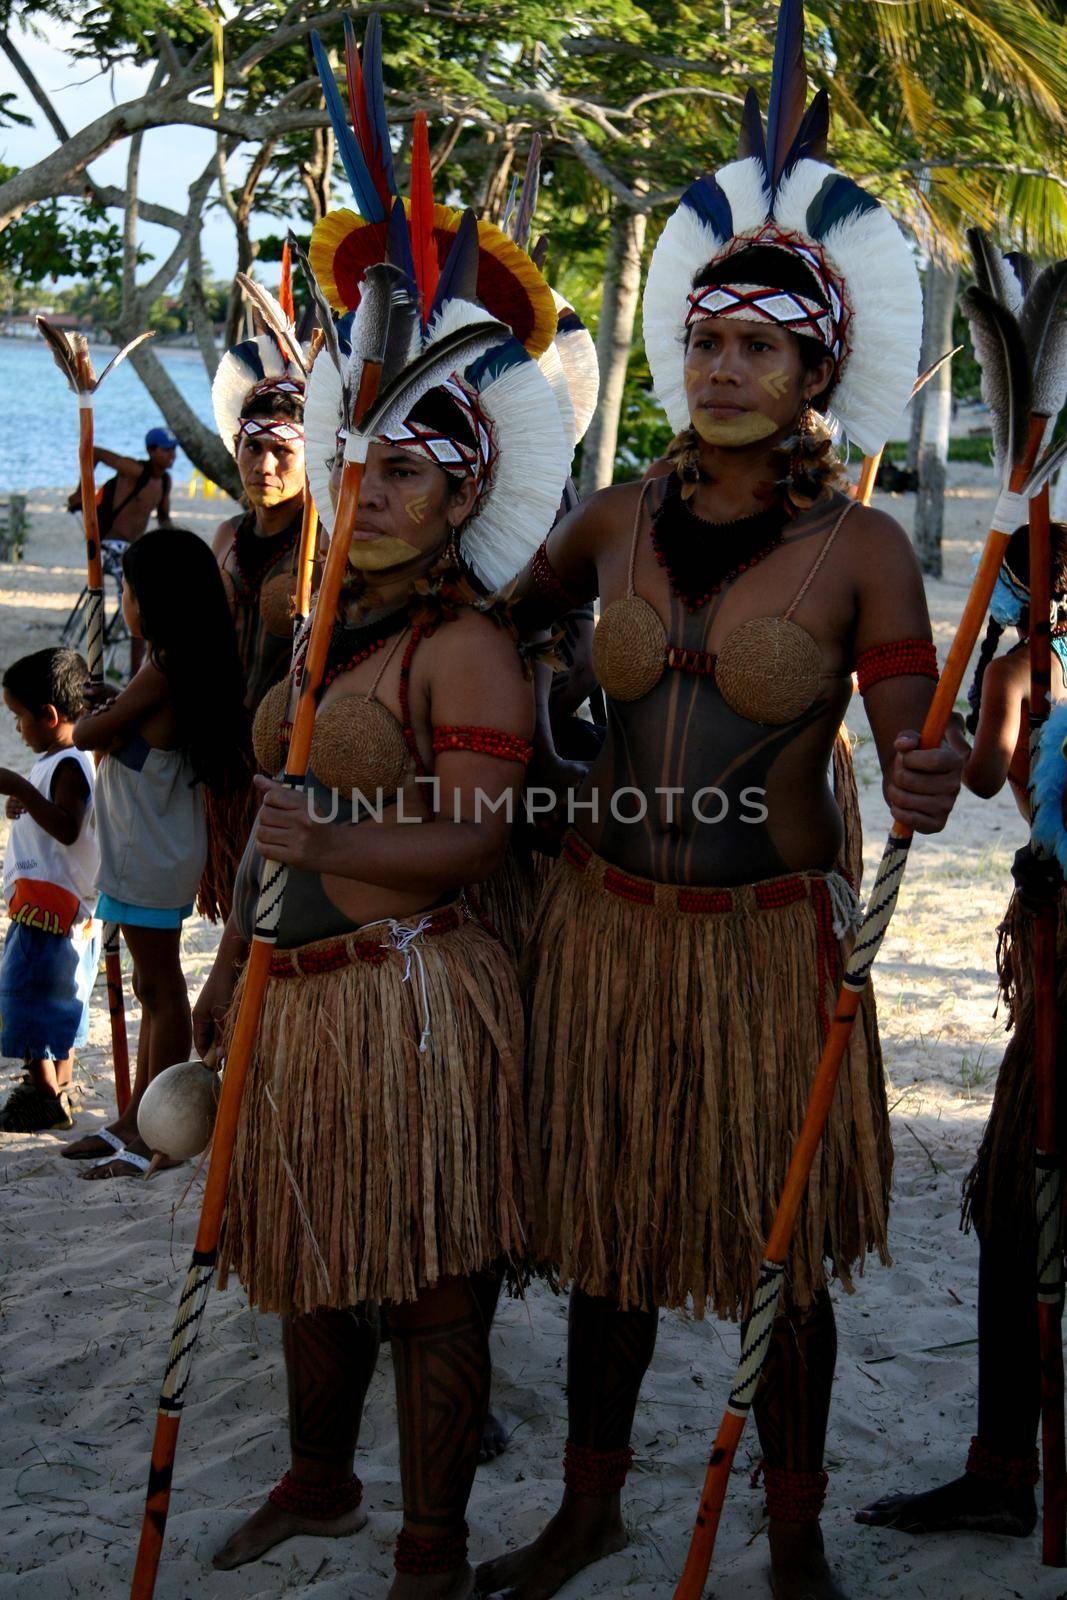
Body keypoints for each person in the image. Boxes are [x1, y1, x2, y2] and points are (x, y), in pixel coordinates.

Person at [472, 8, 964, 1599]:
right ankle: (589, 1507)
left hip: (762, 949)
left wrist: (928, 767)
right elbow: (503, 626)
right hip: (607, 931)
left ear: (816, 368)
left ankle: (797, 1528)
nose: (720, 369)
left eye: (756, 347)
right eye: (702, 343)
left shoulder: (862, 552)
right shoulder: (612, 519)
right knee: (607, 1243)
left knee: (779, 1264)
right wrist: (513, 726)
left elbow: (909, 748)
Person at [190, 54, 571, 1591]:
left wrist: (326, 847)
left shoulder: (466, 648)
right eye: (367, 463)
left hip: (415, 990)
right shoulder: (316, 628)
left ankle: (425, 1538)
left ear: (466, 484)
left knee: (425, 1282)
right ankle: (316, 1481)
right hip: (296, 996)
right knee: (304, 1263)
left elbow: (475, 841)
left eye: (414, 470)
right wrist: (229, 984)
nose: (381, 489)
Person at [857, 522, 1067, 1540]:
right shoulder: (1031, 664)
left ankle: (1003, 1471)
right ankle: (1000, 1469)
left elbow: (982, 775)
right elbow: (982, 777)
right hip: (1060, 957)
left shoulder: (1029, 662)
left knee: (1023, 1211)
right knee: (1015, 1206)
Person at [61, 529, 247, 1178]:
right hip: (149, 842)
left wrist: (97, 710)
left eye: (127, 591)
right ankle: (136, 1115)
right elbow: (141, 739)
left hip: (149, 847)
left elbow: (87, 734)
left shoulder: (165, 664)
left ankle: (153, 1134)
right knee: (149, 982)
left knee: (161, 988)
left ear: (151, 600)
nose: (122, 600)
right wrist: (116, 708)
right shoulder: (176, 661)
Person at [0, 648, 98, 1133]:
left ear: (50, 716)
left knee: (30, 998)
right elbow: (48, 813)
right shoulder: (57, 761)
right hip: (56, 907)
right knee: (57, 1000)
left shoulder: (71, 765)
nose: (18, 728)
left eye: (19, 718)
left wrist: (19, 783)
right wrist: (24, 800)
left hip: (50, 911)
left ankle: (45, 1095)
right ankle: (54, 1086)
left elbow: (66, 827)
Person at [210, 348, 310, 714]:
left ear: (310, 457)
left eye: (282, 451)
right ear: (236, 448)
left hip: (286, 745)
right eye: (253, 447)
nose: (263, 466)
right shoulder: (226, 536)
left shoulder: (322, 545)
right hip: (216, 736)